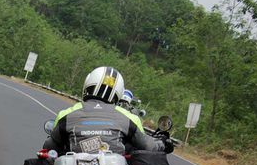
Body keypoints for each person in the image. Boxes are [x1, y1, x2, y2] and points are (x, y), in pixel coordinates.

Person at [44, 66, 172, 155]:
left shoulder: (66, 114)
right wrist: (163, 143)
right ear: (119, 93)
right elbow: (148, 146)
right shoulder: (129, 118)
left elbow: (49, 146)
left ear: (87, 85)